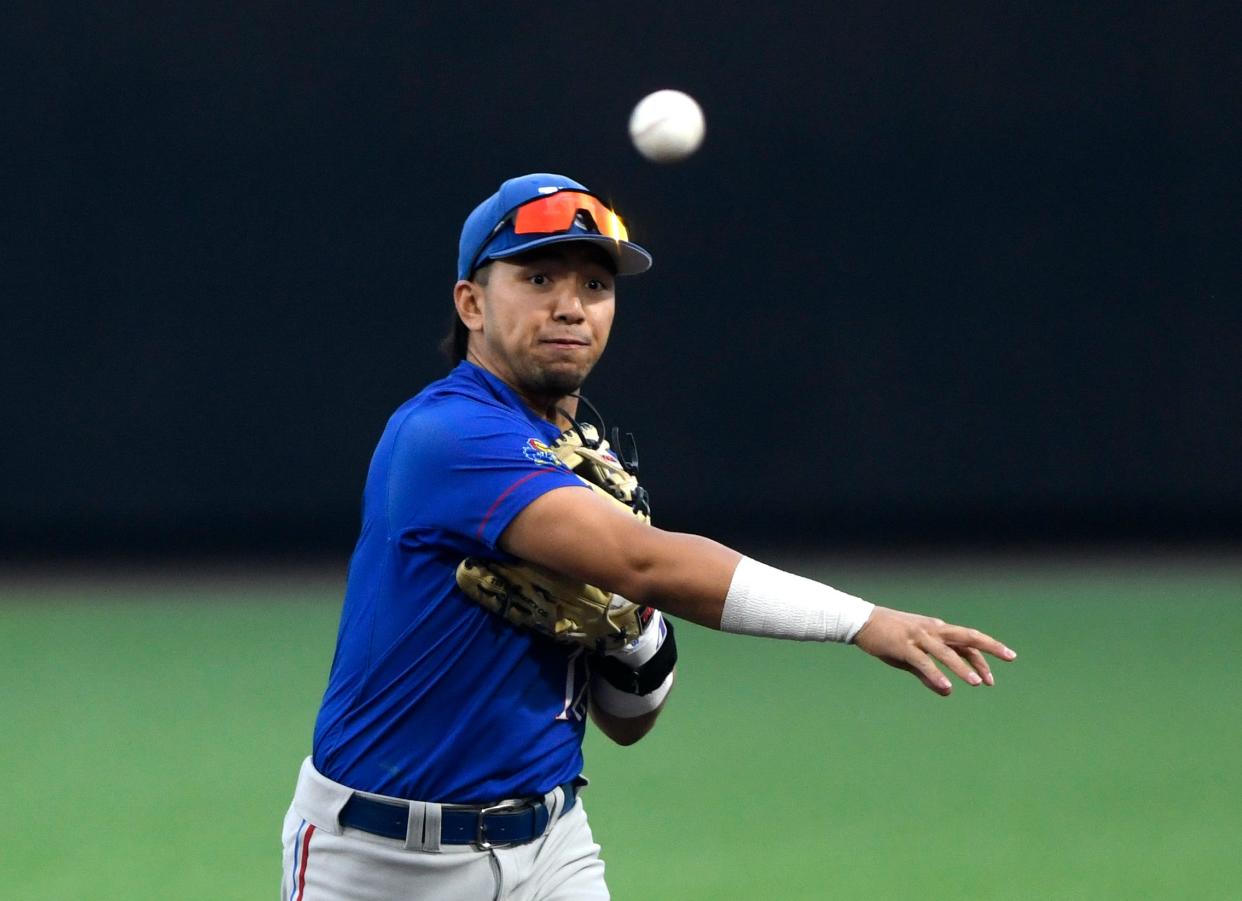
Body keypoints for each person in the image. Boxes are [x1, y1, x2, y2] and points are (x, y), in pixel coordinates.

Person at [280, 172, 1017, 900]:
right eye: (539, 277)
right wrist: (860, 620)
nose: (571, 306)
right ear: (471, 302)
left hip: (551, 846)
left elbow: (628, 721)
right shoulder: (445, 435)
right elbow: (647, 560)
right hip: (385, 862)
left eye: (596, 287)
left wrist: (629, 627)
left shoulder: (577, 458)